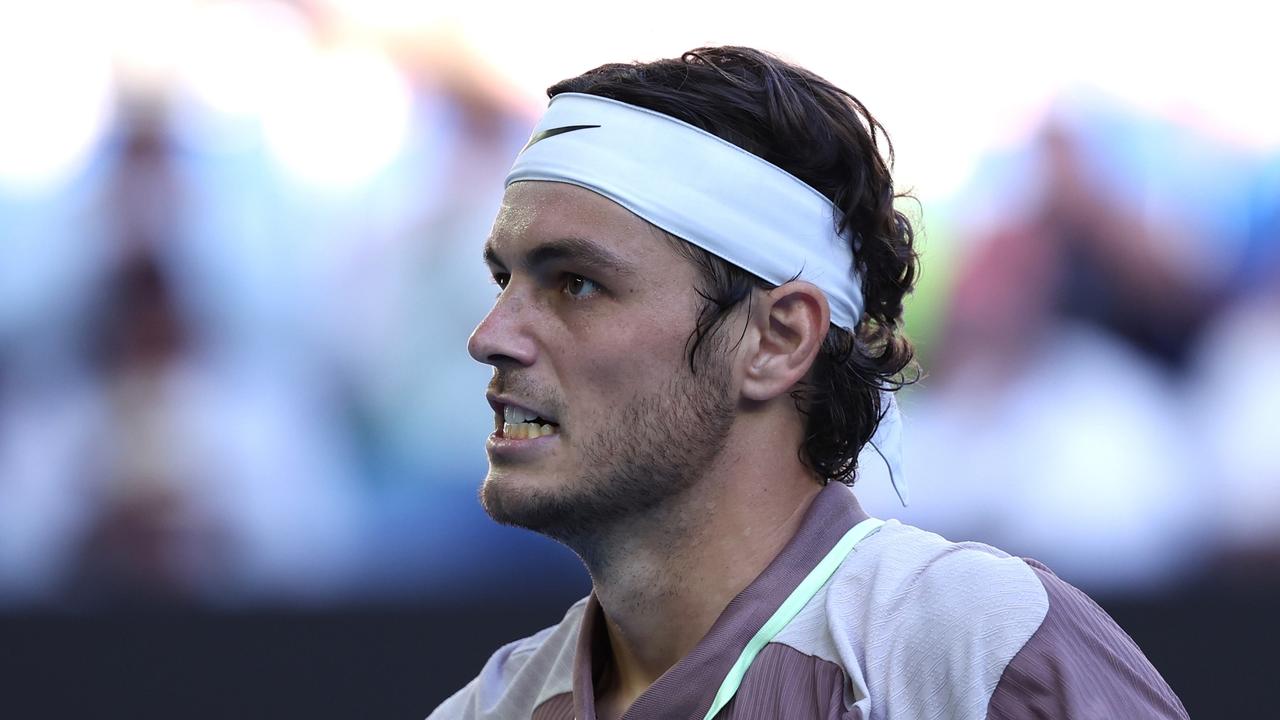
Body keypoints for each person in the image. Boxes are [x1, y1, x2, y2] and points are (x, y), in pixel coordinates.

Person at [430, 47, 1188, 720]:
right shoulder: (485, 708)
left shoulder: (983, 648)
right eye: (504, 279)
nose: (490, 335)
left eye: (576, 284)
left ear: (778, 338)